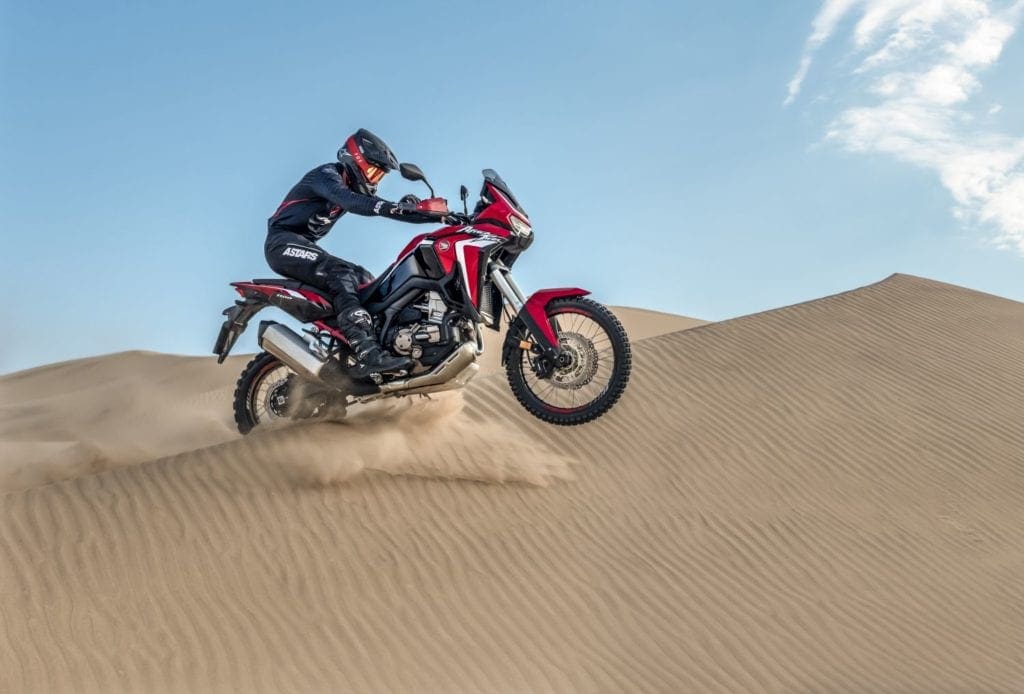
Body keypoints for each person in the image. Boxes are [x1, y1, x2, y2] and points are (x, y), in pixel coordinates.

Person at [264, 128, 433, 378]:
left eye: (380, 177)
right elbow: (352, 201)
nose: (375, 181)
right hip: (282, 242)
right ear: (356, 160)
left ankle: (379, 342)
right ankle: (367, 352)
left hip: (305, 244)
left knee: (365, 277)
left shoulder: (349, 185)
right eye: (374, 172)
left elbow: (373, 205)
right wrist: (395, 208)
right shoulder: (325, 175)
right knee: (339, 272)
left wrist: (431, 215)